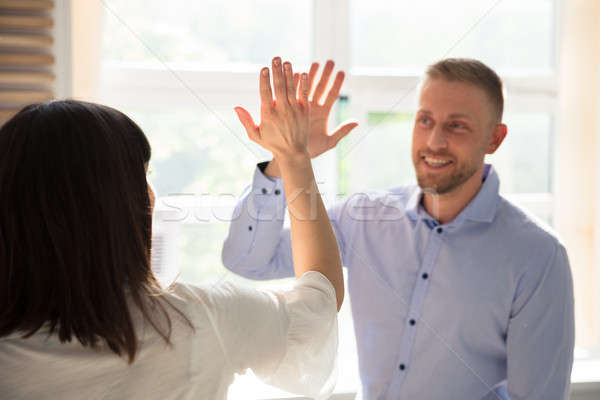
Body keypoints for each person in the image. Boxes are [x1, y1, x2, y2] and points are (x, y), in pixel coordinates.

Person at [225, 58, 575, 400]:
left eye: (457, 126)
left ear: (494, 139)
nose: (434, 141)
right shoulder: (365, 218)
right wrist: (283, 160)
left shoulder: (538, 255)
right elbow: (249, 260)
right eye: (425, 120)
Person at [0, 58, 344, 400]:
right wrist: (294, 158)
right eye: (143, 176)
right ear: (124, 204)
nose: (152, 193)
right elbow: (319, 306)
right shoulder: (202, 319)